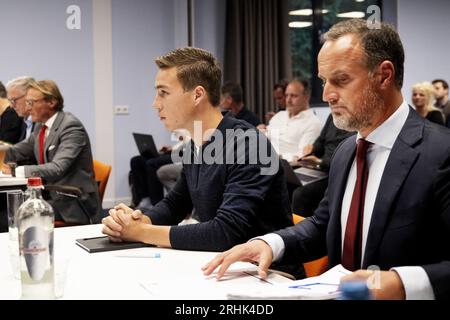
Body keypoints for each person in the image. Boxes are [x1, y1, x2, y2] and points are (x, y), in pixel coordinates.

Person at [203, 19, 450, 300]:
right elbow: (323, 225)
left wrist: (400, 283)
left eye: (341, 80)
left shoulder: (440, 154)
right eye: (324, 81)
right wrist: (269, 244)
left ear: (384, 76)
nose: (327, 95)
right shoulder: (347, 152)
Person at [101, 48, 295, 260]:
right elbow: (176, 204)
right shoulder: (197, 144)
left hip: (267, 277)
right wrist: (139, 220)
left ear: (197, 95)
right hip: (228, 267)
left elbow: (226, 233)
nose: (155, 103)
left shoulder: (249, 144)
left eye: (163, 93)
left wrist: (142, 232)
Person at [3, 80, 101, 225]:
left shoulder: (71, 127)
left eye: (32, 103)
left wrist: (17, 171)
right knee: (7, 211)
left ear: (51, 102)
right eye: (27, 103)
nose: (28, 108)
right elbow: (18, 150)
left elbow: (57, 168)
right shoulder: (41, 126)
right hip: (51, 196)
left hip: (73, 202)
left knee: (7, 218)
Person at [291, 113, 354, 216]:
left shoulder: (355, 122)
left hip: (336, 172)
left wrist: (319, 161)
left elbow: (347, 159)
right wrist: (312, 149)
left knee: (300, 193)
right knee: (289, 181)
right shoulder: (332, 116)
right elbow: (321, 140)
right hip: (320, 167)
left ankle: (303, 229)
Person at [264, 79, 322, 162]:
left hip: (285, 168)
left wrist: (277, 157)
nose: (288, 100)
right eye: (286, 95)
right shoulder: (278, 116)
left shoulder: (313, 123)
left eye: (293, 96)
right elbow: (265, 138)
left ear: (306, 97)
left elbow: (301, 156)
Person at [6, 76, 36, 142]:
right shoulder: (24, 123)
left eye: (14, 100)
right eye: (10, 101)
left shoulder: (43, 123)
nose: (11, 106)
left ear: (29, 96)